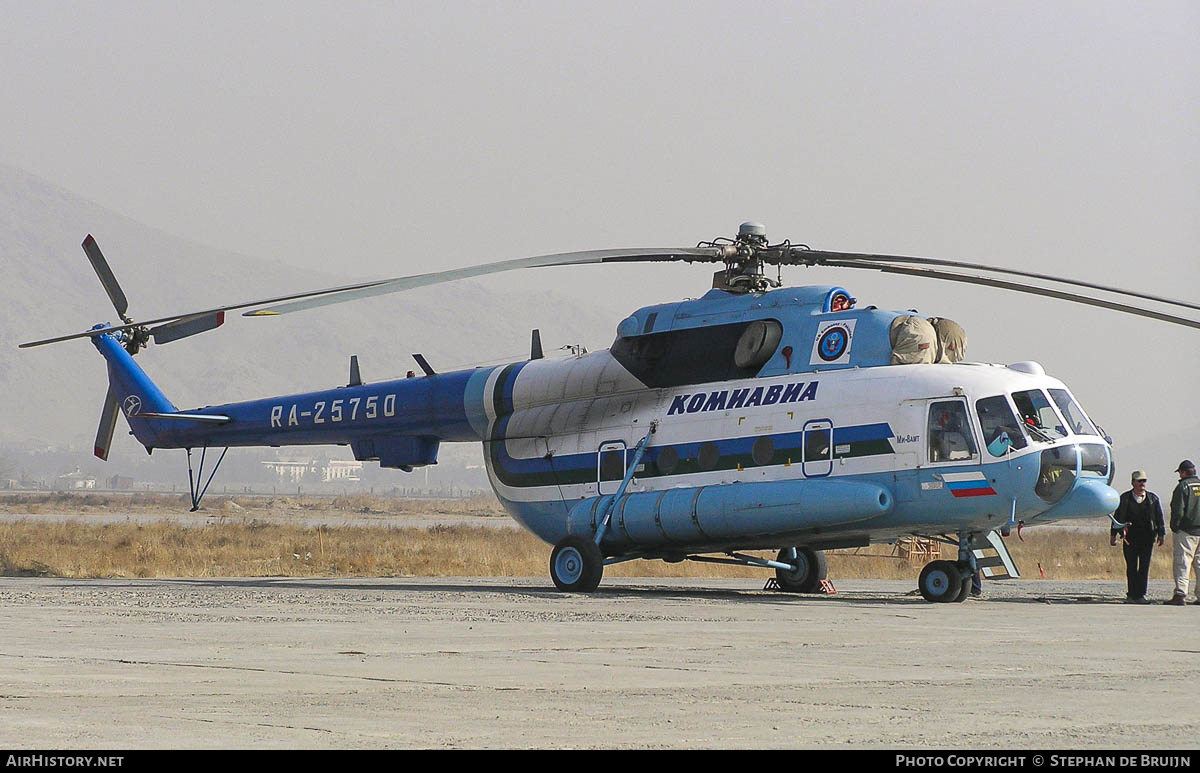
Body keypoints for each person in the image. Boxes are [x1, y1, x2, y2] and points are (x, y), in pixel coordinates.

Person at [1109, 470, 1164, 603]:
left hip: (1147, 539)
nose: (1142, 484)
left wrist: (1161, 534)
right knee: (1131, 567)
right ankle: (1131, 595)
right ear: (1133, 482)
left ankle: (1141, 595)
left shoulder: (1153, 499)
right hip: (1130, 539)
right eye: (1139, 481)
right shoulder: (1125, 498)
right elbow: (1117, 518)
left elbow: (1159, 517)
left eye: (1144, 481)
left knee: (1144, 567)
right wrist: (1113, 534)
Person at [1165, 460, 1200, 605]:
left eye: (1180, 472)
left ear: (1184, 472)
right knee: (1199, 563)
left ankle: (1180, 594)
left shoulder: (1183, 486)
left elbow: (1178, 509)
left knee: (1182, 562)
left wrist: (1175, 526)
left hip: (1186, 531)